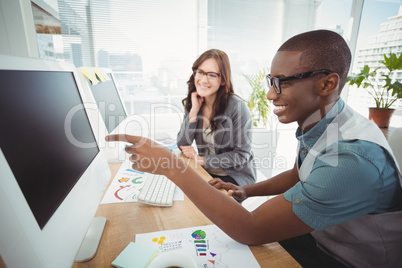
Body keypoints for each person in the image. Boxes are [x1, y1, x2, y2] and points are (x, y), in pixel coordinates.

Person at [106, 30, 402, 267]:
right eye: (270, 81)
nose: (271, 94)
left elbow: (252, 229)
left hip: (342, 258)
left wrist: (173, 166)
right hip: (318, 236)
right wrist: (248, 192)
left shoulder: (353, 160)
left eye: (281, 83)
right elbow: (300, 173)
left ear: (327, 84)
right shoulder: (324, 122)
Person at [176, 49, 256, 187]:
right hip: (206, 172)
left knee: (206, 205)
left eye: (212, 75)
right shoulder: (195, 102)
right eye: (200, 72)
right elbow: (183, 143)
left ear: (223, 80)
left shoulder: (237, 107)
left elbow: (242, 155)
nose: (203, 79)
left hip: (234, 176)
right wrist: (193, 112)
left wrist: (203, 160)